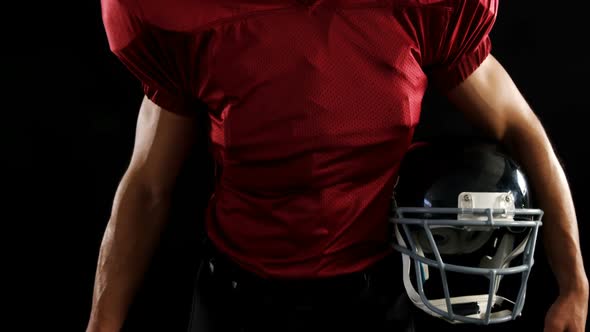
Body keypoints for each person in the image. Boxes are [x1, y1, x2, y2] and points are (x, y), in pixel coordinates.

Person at [87, 0, 588, 331]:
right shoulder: (194, 15)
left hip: (374, 297)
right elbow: (150, 185)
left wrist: (573, 285)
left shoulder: (415, 8)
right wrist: (102, 324)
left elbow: (517, 127)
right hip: (239, 297)